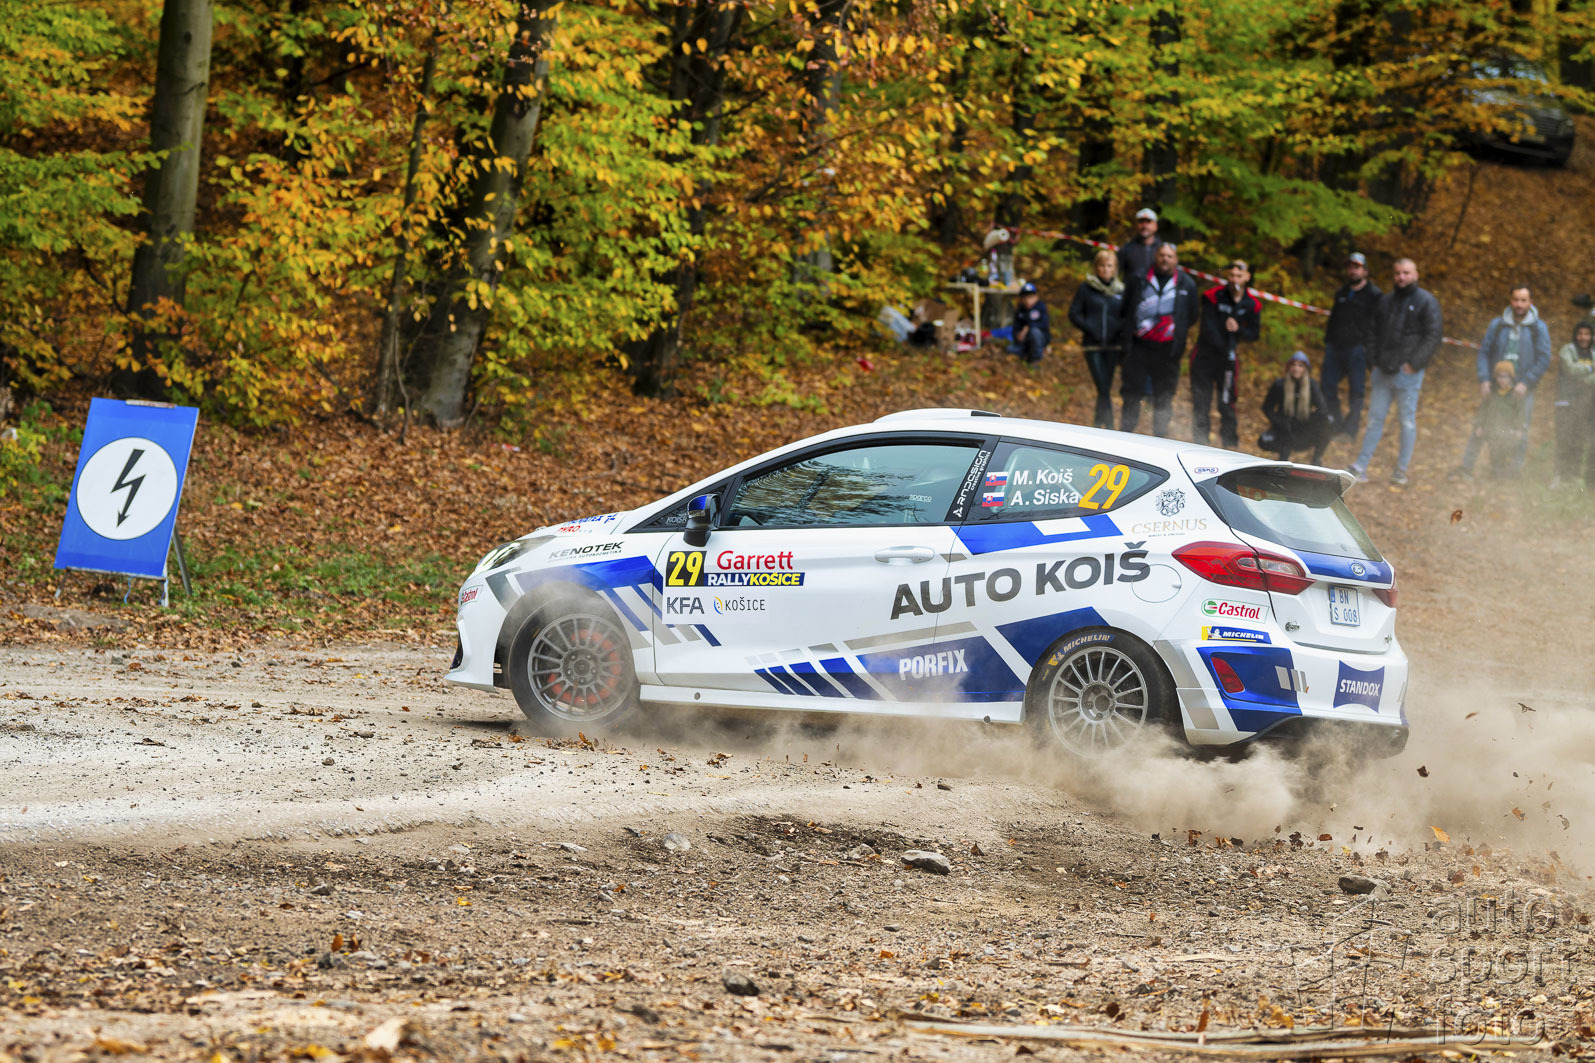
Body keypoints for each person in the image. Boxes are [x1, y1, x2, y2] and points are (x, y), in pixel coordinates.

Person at [1350, 257, 1443, 487]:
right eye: (1398, 273)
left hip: (1408, 374)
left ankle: (1401, 470)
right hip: (1382, 371)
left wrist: (1415, 363)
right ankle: (1360, 466)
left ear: (1415, 274)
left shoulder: (1426, 301)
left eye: (1406, 273)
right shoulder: (1385, 301)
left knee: (1406, 421)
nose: (1401, 277)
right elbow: (1371, 332)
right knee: (1375, 420)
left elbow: (1433, 335)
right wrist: (1373, 361)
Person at [1118, 241, 1199, 437]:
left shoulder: (1186, 283)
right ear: (1155, 256)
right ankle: (1125, 434)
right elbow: (1125, 308)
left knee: (1164, 396)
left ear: (1176, 259)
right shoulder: (1138, 278)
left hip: (1168, 350)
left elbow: (1192, 315)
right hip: (1139, 347)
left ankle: (1160, 437)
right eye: (1162, 255)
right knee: (1132, 393)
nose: (1165, 259)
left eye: (1169, 256)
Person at [1476, 285, 1552, 470]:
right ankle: (1496, 466)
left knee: (1520, 426)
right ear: (1510, 301)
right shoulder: (1498, 324)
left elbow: (1544, 358)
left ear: (1530, 302)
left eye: (1523, 300)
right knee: (1493, 424)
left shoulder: (1538, 327)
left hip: (1523, 388)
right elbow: (1484, 352)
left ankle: (1515, 469)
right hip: (1498, 386)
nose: (1519, 304)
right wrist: (1484, 378)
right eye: (1516, 300)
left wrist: (1526, 382)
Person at [1190, 259, 1262, 449]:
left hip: (1228, 361)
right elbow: (1208, 328)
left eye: (1239, 276)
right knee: (1201, 403)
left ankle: (1230, 447)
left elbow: (1254, 334)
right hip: (1205, 357)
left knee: (1227, 404)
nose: (1234, 279)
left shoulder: (1252, 304)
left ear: (1247, 277)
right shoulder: (1213, 296)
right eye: (1231, 275)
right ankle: (1200, 444)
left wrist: (1238, 330)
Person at [1322, 252, 1381, 438]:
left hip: (1358, 350)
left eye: (1357, 267)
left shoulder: (1374, 295)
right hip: (1335, 347)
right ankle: (1335, 424)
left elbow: (1378, 325)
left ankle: (1350, 430)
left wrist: (1369, 349)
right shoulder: (1342, 292)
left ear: (1365, 271)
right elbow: (1333, 318)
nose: (1353, 271)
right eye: (1350, 267)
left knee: (1356, 392)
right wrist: (1328, 341)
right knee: (1327, 386)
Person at [1067, 249, 1124, 427]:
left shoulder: (1121, 290)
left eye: (1109, 266)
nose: (1105, 269)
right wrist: (1090, 328)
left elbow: (1127, 316)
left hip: (1113, 346)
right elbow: (1074, 313)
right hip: (1093, 346)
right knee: (1103, 387)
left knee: (1104, 388)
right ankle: (1110, 426)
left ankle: (1098, 426)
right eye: (1102, 265)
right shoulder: (1086, 288)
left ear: (1115, 268)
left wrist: (1119, 330)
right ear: (1096, 267)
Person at [1454, 361, 1527, 480]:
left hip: (1505, 429)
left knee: (1502, 449)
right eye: (1499, 376)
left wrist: (1518, 429)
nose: (1502, 380)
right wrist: (1479, 425)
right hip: (1489, 427)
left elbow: (1520, 414)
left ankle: (1504, 472)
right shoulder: (1492, 392)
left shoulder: (1515, 395)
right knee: (1476, 438)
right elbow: (1483, 410)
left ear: (1511, 377)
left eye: (1505, 377)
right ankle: (1467, 468)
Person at [1260, 351, 1332, 464]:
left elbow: (1323, 409)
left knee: (1328, 422)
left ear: (1306, 369)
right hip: (1284, 428)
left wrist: (1311, 421)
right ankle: (1282, 461)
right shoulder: (1279, 385)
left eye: (1300, 365)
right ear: (1289, 367)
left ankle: (1316, 460)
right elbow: (1267, 408)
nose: (1296, 369)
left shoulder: (1312, 385)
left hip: (1304, 429)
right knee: (1263, 441)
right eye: (1293, 365)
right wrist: (1279, 421)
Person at [1552, 321, 1595, 489]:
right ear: (1575, 335)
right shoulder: (1567, 350)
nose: (1583, 337)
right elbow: (1569, 369)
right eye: (1580, 333)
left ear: (1591, 336)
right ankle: (1559, 476)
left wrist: (1584, 378)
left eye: (1587, 334)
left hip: (1585, 403)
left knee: (1579, 440)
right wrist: (1590, 369)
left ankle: (1574, 476)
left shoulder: (1593, 353)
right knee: (1564, 438)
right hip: (1565, 401)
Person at [1117, 208, 1163, 282]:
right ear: (1136, 225)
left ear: (1155, 226)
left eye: (1148, 221)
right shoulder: (1126, 249)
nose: (1144, 226)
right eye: (1141, 221)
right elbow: (1115, 273)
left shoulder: (1163, 250)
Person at [1012, 281, 1050, 365]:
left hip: (1040, 338)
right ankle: (1027, 353)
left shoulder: (1040, 307)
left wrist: (1028, 328)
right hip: (1025, 341)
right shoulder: (1020, 310)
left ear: (1036, 297)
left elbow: (1044, 324)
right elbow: (1016, 327)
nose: (1027, 300)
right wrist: (1018, 335)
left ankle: (1036, 358)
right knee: (1010, 349)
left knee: (1034, 332)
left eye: (1030, 297)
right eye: (1025, 298)